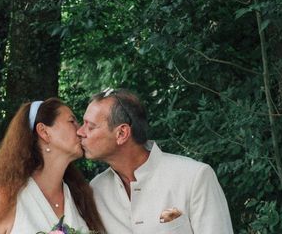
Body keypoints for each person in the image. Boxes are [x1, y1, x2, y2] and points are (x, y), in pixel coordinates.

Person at [77, 88, 234, 234]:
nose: (80, 132)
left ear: (122, 133)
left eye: (90, 126)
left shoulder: (194, 177)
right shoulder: (96, 189)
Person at [0, 98, 105, 233]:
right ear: (44, 132)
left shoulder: (80, 196)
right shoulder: (6, 200)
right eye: (72, 121)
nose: (81, 131)